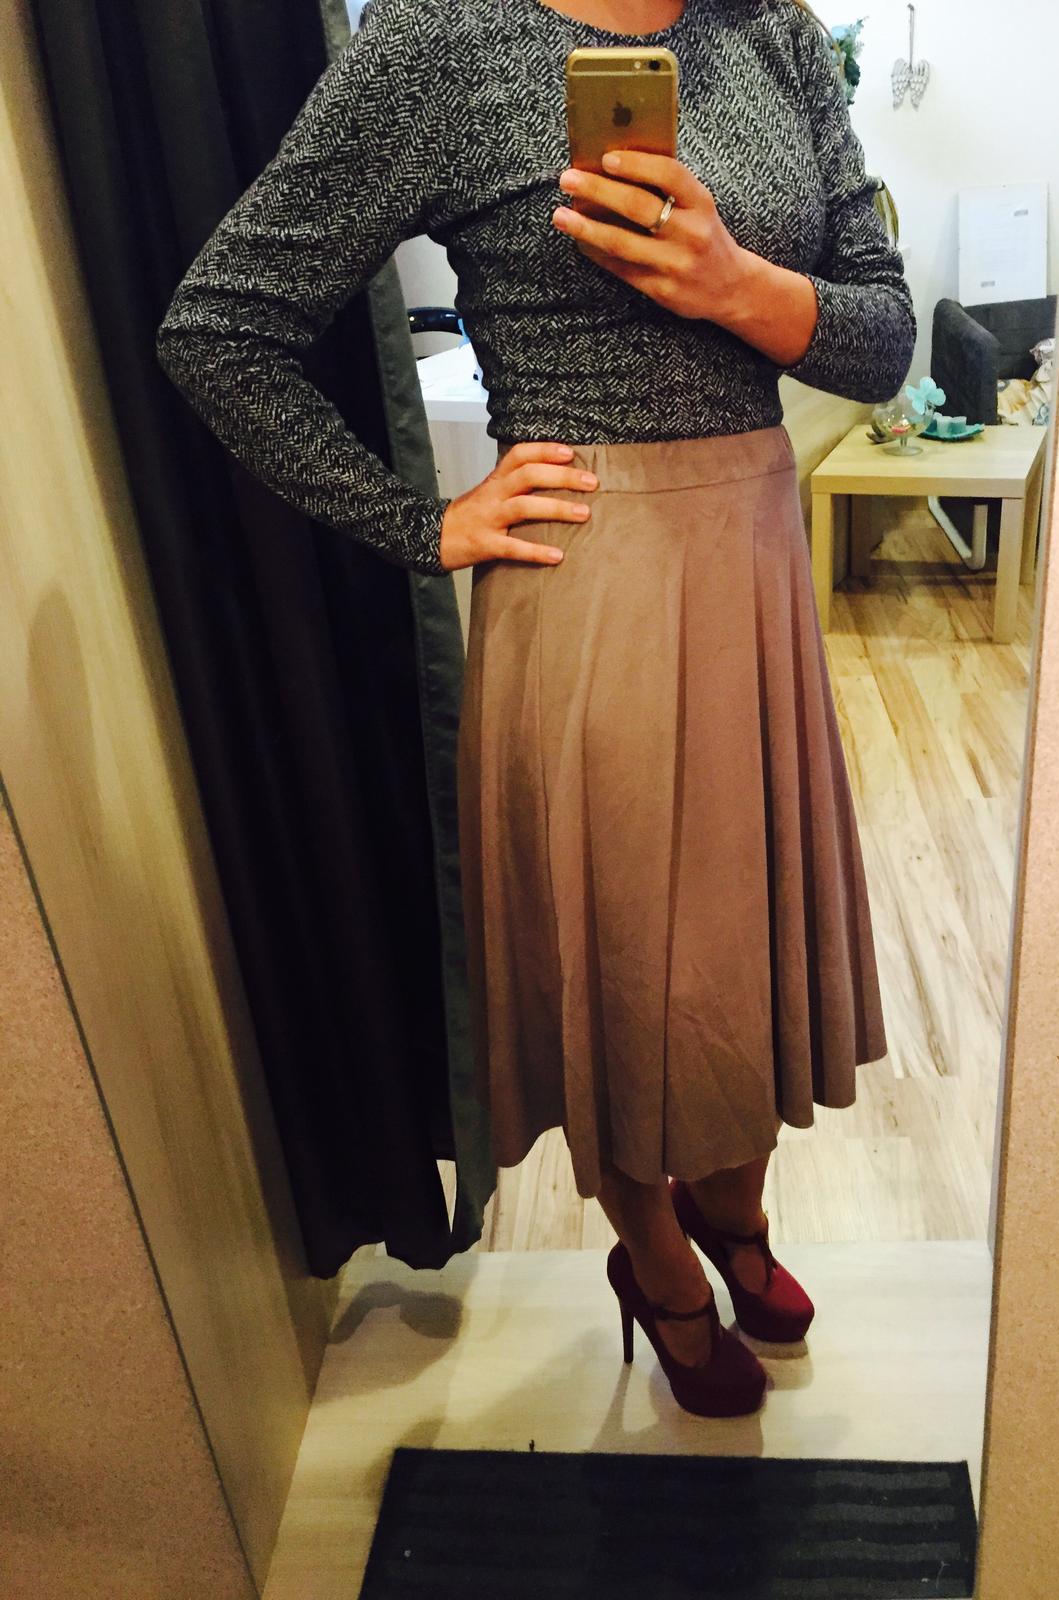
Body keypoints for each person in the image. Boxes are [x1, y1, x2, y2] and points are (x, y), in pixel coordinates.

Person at [156, 0, 916, 1419]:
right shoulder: (440, 42)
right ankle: (659, 1263)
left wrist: (735, 282)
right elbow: (221, 328)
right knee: (629, 969)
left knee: (742, 961)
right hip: (590, 585)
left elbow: (882, 340)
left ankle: (736, 1215)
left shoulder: (774, 30)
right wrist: (419, 523)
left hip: (756, 563)